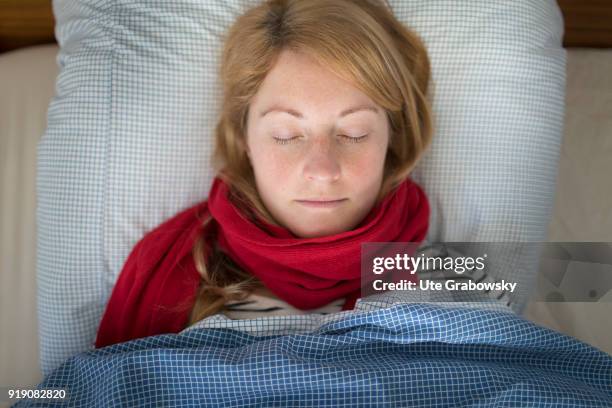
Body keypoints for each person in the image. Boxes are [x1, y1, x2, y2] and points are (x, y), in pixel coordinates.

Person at [95, 0, 433, 348]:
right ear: (244, 138)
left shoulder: (462, 267)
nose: (321, 171)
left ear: (393, 134)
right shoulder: (163, 265)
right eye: (286, 135)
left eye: (354, 132)